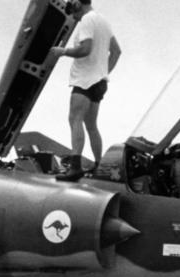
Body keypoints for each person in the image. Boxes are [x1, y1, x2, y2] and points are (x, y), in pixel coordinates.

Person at [51, 0, 121, 181]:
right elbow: (116, 51)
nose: (74, 18)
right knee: (91, 126)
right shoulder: (103, 21)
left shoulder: (87, 21)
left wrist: (62, 51)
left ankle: (75, 167)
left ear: (78, 5)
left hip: (84, 81)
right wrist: (103, 72)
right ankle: (100, 166)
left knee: (75, 119)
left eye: (74, 14)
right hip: (99, 82)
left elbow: (85, 49)